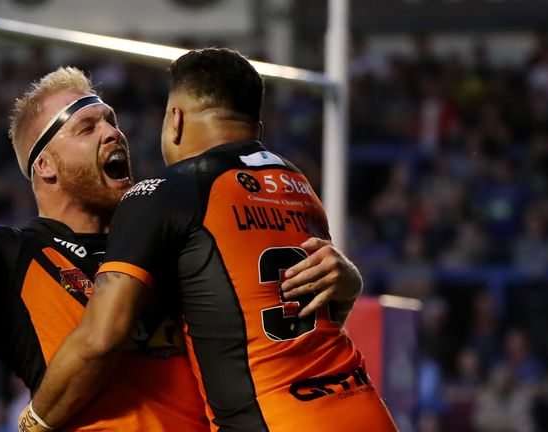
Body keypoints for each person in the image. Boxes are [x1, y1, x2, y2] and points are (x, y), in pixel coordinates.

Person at [0, 53, 362, 431]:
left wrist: (341, 284)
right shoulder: (11, 256)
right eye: (87, 127)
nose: (113, 133)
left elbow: (274, 339)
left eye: (111, 120)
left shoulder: (175, 234)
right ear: (45, 166)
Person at [27, 48, 398, 431]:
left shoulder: (163, 192)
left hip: (273, 419)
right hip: (365, 408)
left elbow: (100, 339)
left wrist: (33, 421)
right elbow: (312, 312)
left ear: (176, 120)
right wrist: (351, 283)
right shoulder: (296, 183)